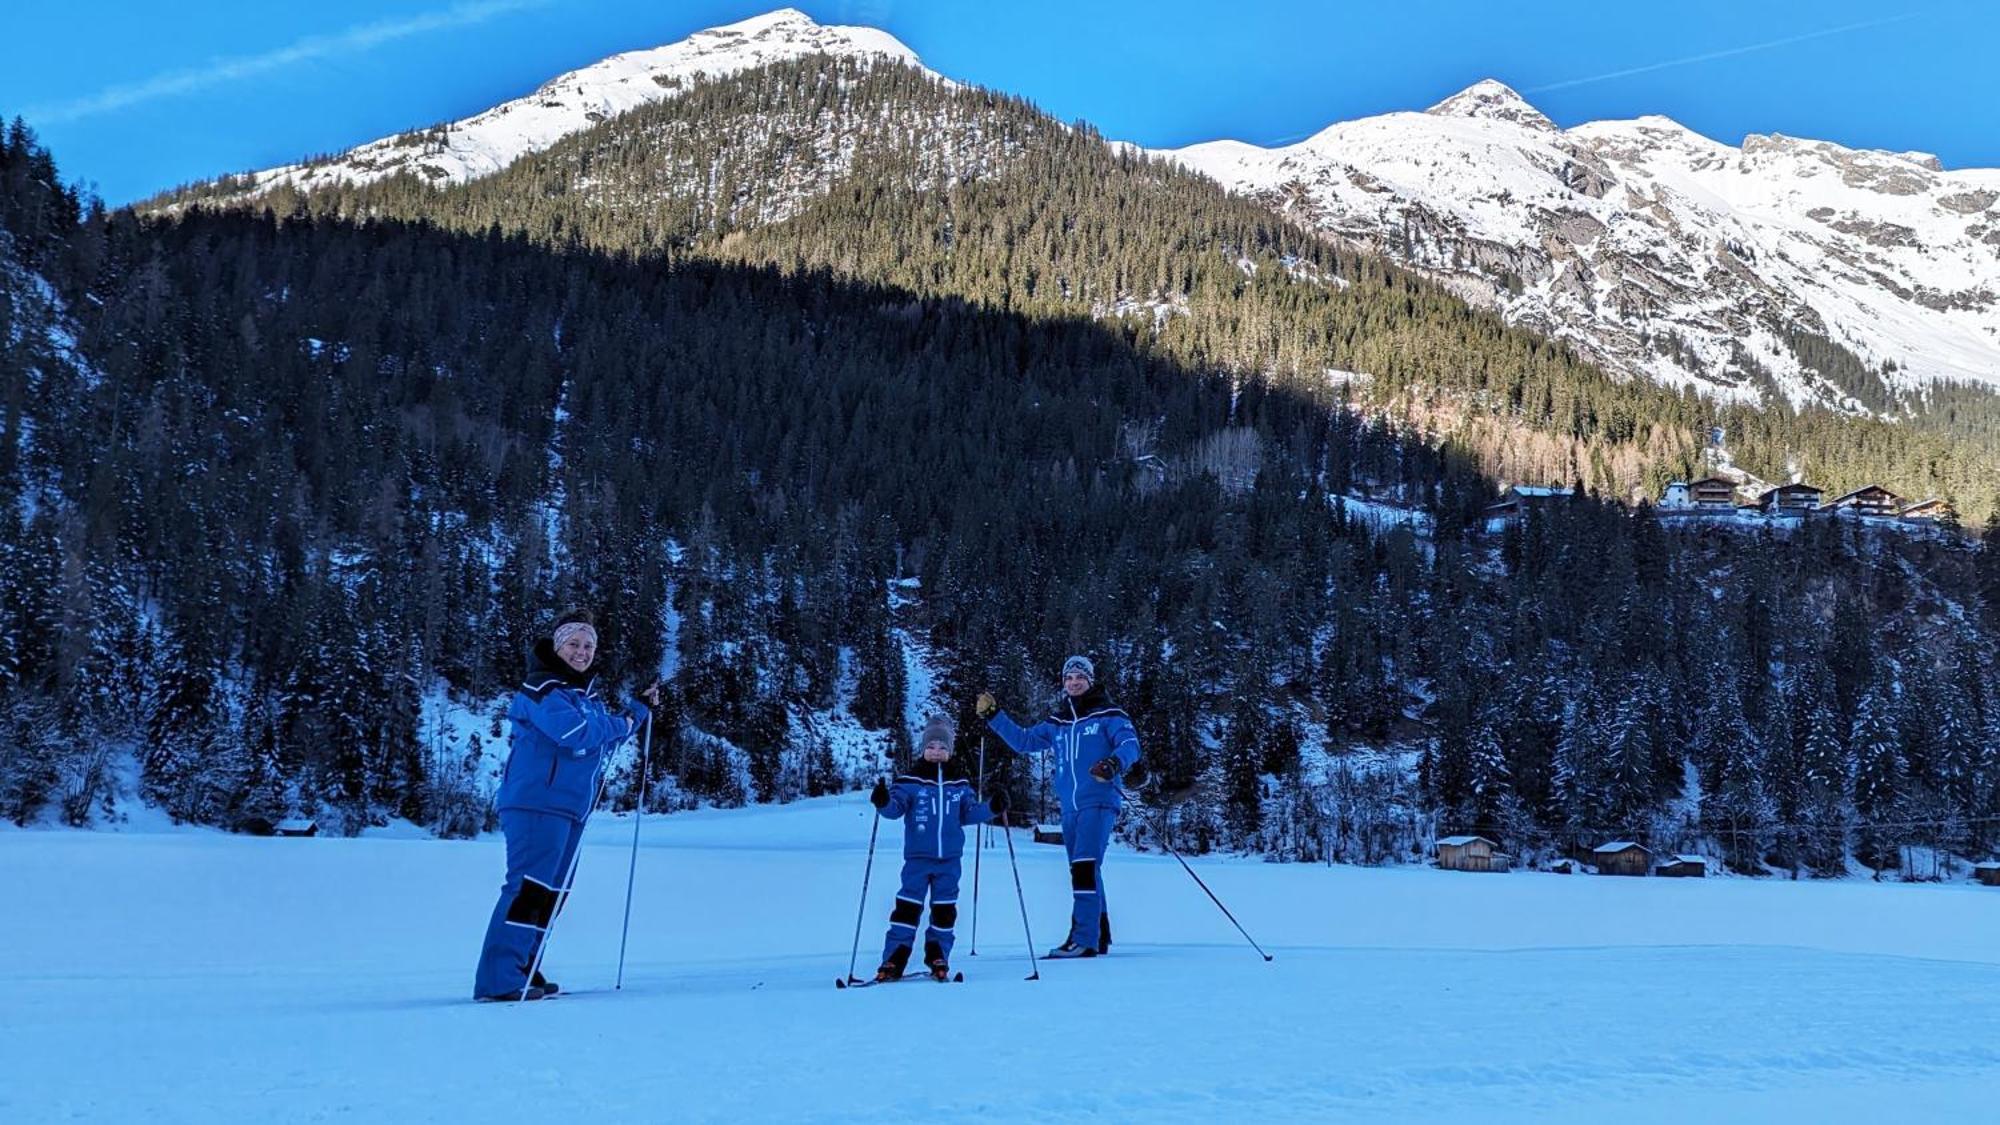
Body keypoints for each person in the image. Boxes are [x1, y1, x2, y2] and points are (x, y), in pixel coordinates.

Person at [473, 609, 657, 1002]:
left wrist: (636, 712)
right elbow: (576, 734)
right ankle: (500, 976)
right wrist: (623, 722)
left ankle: (523, 968)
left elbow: (603, 733)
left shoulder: (581, 696)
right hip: (537, 802)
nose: (582, 652)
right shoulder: (543, 688)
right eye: (574, 643)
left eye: (588, 645)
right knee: (529, 888)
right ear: (557, 646)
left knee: (551, 893)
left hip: (569, 809)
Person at [977, 655, 1140, 958]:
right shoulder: (1059, 722)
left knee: (1084, 868)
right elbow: (1024, 741)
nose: (1074, 682)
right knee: (1086, 868)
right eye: (1069, 678)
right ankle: (1099, 933)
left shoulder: (1109, 715)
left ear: (1091, 680)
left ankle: (1083, 939)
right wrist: (994, 716)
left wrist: (1113, 763)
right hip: (1070, 807)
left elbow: (1130, 745)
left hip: (1099, 801)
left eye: (1080, 677)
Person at [868, 714, 1003, 982]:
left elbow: (969, 814)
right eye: (931, 747)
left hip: (949, 861)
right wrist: (882, 802)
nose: (936, 752)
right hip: (918, 859)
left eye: (942, 747)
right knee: (906, 909)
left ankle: (938, 954)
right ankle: (894, 957)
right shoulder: (909, 781)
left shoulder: (959, 783)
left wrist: (992, 808)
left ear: (950, 751)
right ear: (923, 748)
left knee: (944, 910)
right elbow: (894, 810)